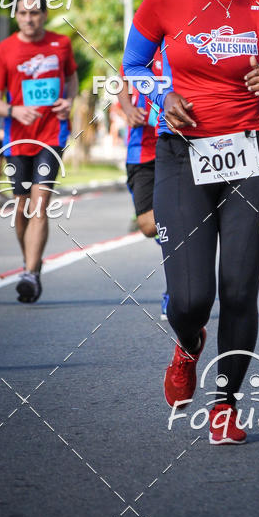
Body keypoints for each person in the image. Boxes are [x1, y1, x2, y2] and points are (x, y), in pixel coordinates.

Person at [123, 0, 259, 445]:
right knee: (193, 298)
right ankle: (188, 342)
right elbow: (134, 66)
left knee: (239, 290)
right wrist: (158, 98)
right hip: (181, 154)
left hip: (250, 154)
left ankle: (224, 402)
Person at [0, 0, 78, 302]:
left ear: (44, 14)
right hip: (18, 139)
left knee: (40, 204)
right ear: (16, 15)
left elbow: (71, 79)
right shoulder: (4, 51)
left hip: (52, 135)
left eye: (35, 13)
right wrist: (14, 110)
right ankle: (32, 264)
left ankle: (29, 274)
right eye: (23, 13)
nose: (29, 19)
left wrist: (68, 100)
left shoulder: (61, 44)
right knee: (22, 208)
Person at [116, 52, 169, 319]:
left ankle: (176, 289)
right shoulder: (142, 45)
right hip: (142, 151)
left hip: (176, 146)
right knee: (149, 225)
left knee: (175, 219)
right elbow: (120, 81)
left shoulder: (184, 41)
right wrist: (127, 109)